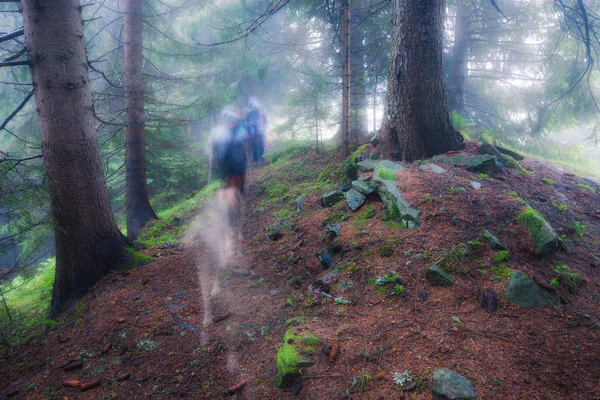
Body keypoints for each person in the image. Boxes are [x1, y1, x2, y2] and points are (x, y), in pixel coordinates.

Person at [208, 106, 248, 226]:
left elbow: (212, 150)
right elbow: (242, 147)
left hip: (224, 165)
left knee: (229, 187)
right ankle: (233, 213)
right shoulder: (237, 132)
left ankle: (230, 211)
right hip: (235, 164)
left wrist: (212, 160)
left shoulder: (219, 133)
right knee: (235, 187)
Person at [244, 97, 268, 165]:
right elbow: (245, 120)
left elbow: (266, 118)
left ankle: (261, 159)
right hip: (252, 130)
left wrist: (265, 127)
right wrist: (248, 129)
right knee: (254, 145)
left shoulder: (261, 109)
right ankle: (256, 160)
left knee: (261, 144)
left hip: (260, 130)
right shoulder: (248, 110)